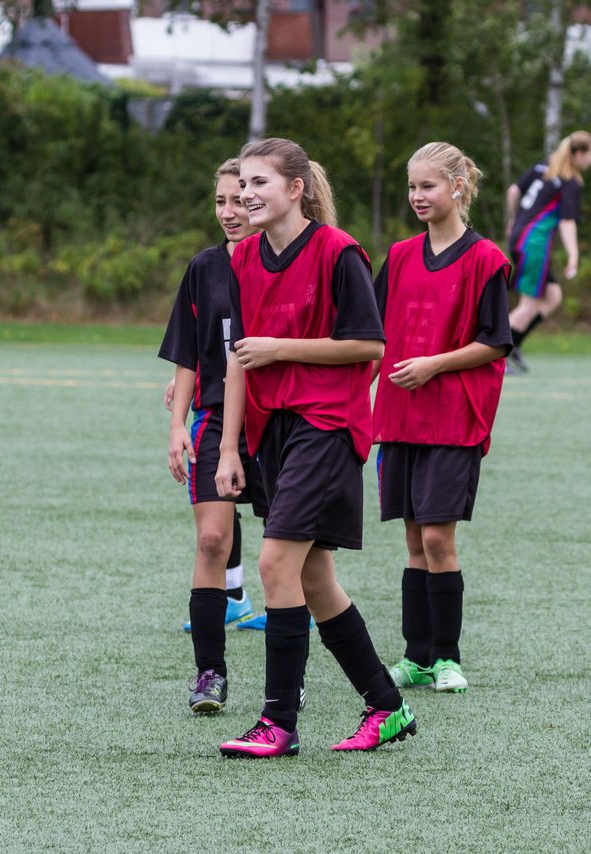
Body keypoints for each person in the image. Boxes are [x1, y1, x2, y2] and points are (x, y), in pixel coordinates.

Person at [214, 137, 416, 758]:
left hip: (328, 425)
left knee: (276, 565)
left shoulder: (337, 253)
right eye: (241, 184)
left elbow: (370, 348)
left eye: (259, 183)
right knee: (316, 576)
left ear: (296, 188)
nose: (246, 194)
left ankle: (277, 722)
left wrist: (280, 347)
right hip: (272, 431)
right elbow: (240, 360)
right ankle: (388, 707)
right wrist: (227, 449)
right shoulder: (243, 259)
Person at [372, 142, 512, 694]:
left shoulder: (485, 260)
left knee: (437, 540)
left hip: (454, 417)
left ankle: (448, 657)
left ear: (457, 186)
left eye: (427, 186)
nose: (417, 196)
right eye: (411, 187)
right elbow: (370, 330)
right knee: (411, 541)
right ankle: (415, 657)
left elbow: (496, 342)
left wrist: (433, 365)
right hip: (400, 416)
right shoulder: (402, 255)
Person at [159, 159, 279, 714]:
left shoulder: (285, 264)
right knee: (211, 541)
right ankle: (210, 675)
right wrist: (177, 424)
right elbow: (188, 354)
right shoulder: (203, 268)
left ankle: (289, 682)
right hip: (212, 418)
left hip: (279, 420)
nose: (231, 212)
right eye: (221, 202)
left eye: (240, 200)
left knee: (291, 557)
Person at [504, 130, 591, 373]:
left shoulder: (541, 167)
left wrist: (513, 219)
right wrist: (574, 255)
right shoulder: (569, 181)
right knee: (529, 304)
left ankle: (513, 345)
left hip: (521, 237)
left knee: (553, 296)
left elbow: (514, 191)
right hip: (533, 243)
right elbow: (567, 222)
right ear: (578, 154)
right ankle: (493, 355)